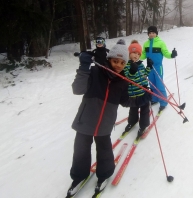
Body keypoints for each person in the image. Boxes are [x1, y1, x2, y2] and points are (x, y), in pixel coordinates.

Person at [66, 39, 152, 198]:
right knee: (81, 151)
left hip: (105, 124)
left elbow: (126, 101)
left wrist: (143, 99)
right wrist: (84, 67)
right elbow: (77, 89)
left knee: (105, 151)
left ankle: (104, 175)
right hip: (85, 120)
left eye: (121, 62)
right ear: (109, 59)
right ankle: (79, 176)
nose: (118, 65)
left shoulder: (121, 82)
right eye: (115, 61)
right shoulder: (95, 72)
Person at [140, 26, 177, 112]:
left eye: (153, 33)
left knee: (159, 84)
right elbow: (143, 55)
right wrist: (136, 57)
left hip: (158, 67)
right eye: (150, 33)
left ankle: (163, 102)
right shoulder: (146, 44)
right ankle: (155, 98)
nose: (151, 34)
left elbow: (166, 53)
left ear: (156, 33)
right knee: (152, 84)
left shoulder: (161, 43)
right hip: (149, 68)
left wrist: (172, 55)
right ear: (148, 34)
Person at [123, 40, 153, 137]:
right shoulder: (126, 65)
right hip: (133, 94)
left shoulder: (141, 64)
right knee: (133, 110)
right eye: (133, 53)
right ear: (129, 53)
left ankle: (143, 125)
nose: (136, 55)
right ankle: (132, 121)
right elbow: (128, 78)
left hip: (143, 92)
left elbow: (145, 75)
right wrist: (132, 71)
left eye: (138, 54)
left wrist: (149, 66)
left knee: (145, 110)